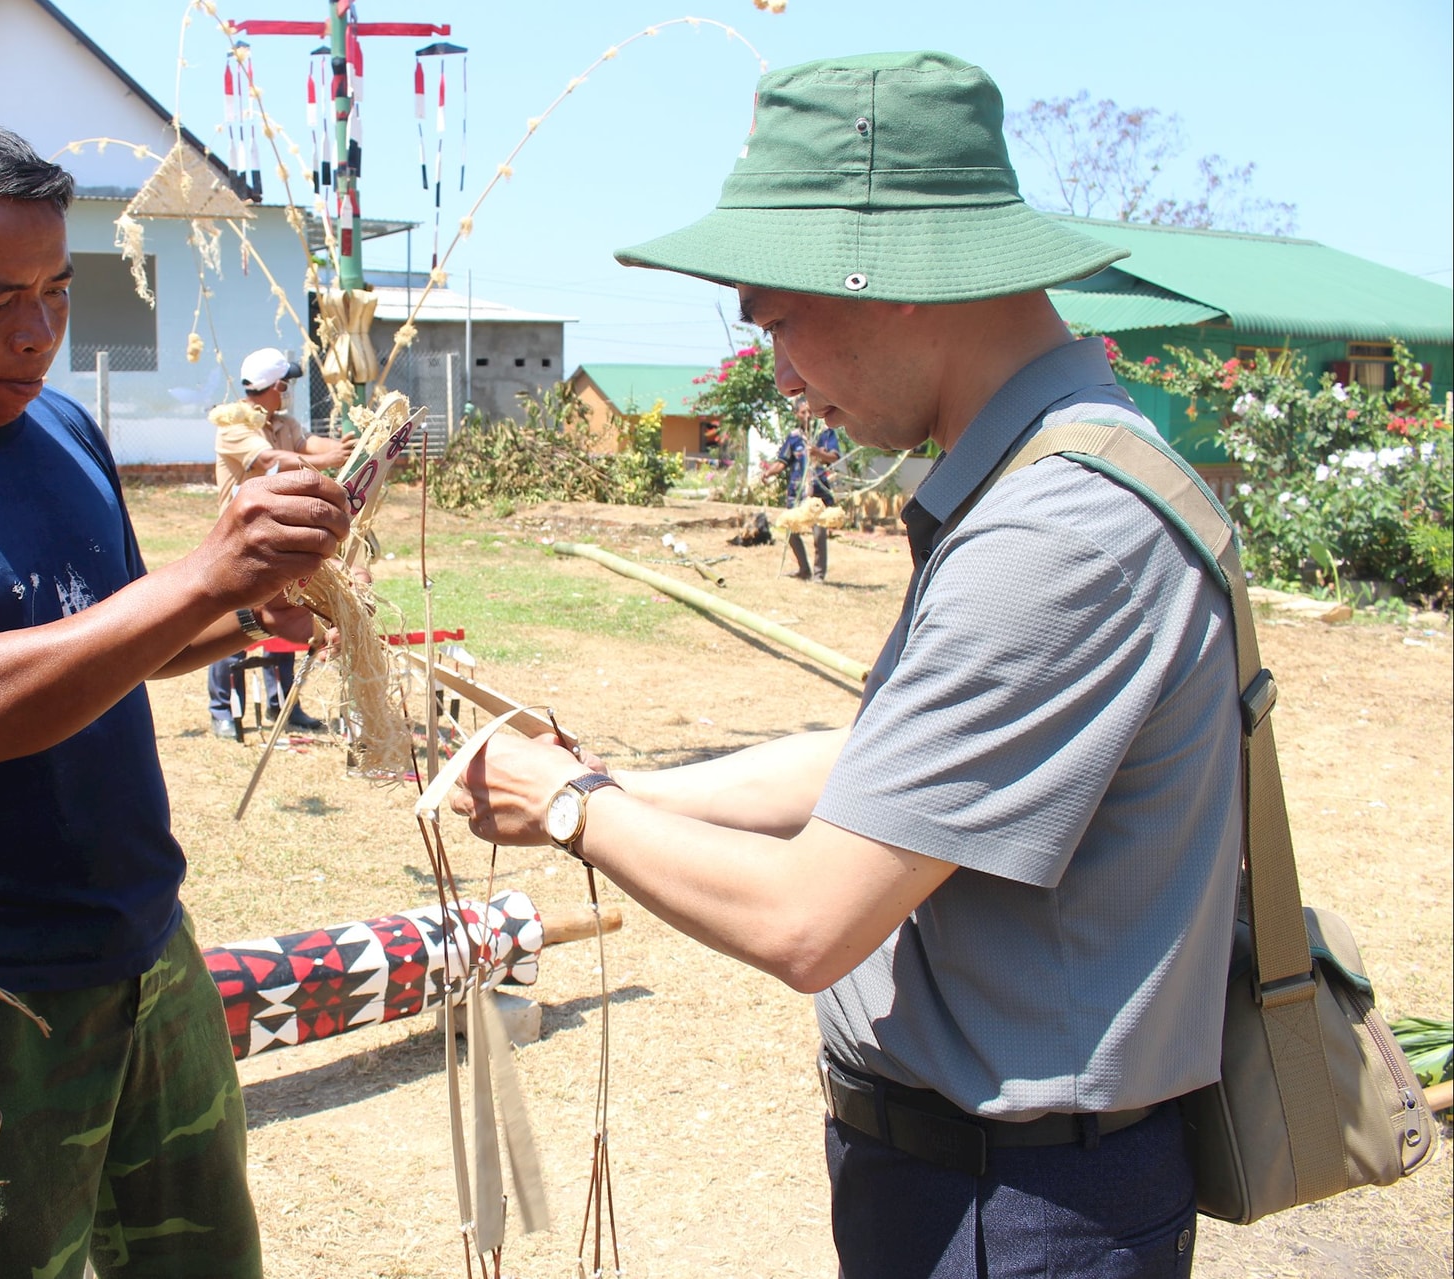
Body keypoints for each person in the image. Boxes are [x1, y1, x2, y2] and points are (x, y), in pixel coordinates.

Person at [453, 52, 1240, 1278]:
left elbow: (810, 918)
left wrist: (570, 807)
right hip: (980, 1175)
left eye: (776, 318)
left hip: (1017, 1203)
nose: (777, 372)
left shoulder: (1053, 534)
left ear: (903, 283)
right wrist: (618, 782)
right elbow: (883, 776)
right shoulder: (1045, 475)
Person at [0, 112, 351, 1278]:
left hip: (147, 940)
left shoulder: (57, 428)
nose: (40, 334)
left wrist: (257, 606)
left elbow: (111, 639)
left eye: (57, 288)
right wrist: (208, 570)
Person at [206, 350, 352, 739]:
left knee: (287, 609)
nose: (287, 393)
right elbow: (272, 460)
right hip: (240, 544)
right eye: (285, 385)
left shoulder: (281, 422)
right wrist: (325, 460)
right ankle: (223, 710)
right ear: (276, 387)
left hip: (281, 535)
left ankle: (283, 704)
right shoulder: (233, 423)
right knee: (237, 621)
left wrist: (347, 447)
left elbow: (308, 443)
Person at [760, 399, 842, 580]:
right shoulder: (794, 437)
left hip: (818, 495)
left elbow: (834, 457)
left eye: (810, 412)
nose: (807, 416)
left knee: (819, 535)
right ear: (796, 414)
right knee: (791, 530)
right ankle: (803, 569)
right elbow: (782, 462)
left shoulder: (825, 433)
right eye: (803, 412)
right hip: (796, 492)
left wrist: (817, 452)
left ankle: (819, 575)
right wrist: (768, 473)